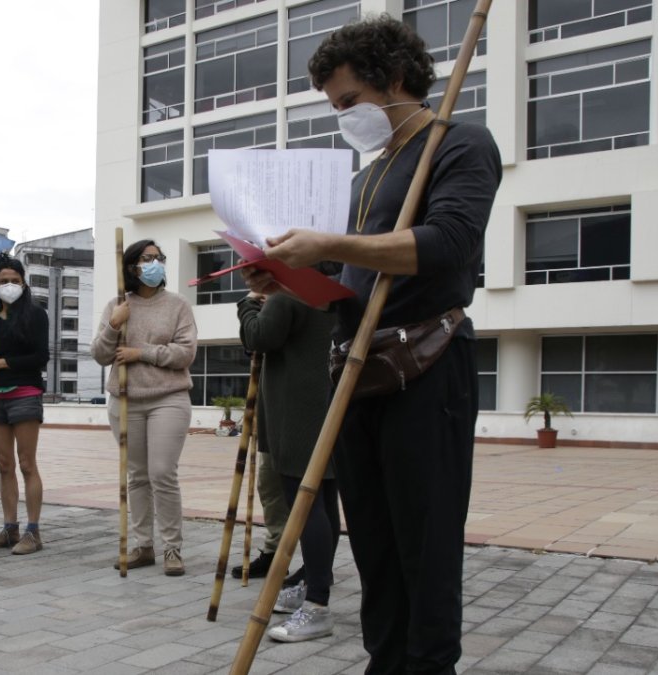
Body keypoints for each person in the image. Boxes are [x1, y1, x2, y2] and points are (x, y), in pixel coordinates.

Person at [244, 16, 502, 672]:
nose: (343, 117)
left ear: (393, 81)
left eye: (349, 101)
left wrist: (328, 244)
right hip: (357, 373)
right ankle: (384, 661)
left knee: (426, 545)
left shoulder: (461, 145)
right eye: (334, 107)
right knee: (377, 547)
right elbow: (348, 279)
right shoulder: (366, 179)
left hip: (428, 365)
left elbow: (447, 244)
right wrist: (284, 276)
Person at [236, 291, 338, 643]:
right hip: (327, 405)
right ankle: (314, 580)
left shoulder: (291, 289)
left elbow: (259, 337)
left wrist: (247, 305)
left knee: (306, 507)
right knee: (324, 501)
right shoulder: (333, 283)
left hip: (296, 414)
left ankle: (317, 603)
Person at [92, 239, 197, 576]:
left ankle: (172, 548)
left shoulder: (178, 305)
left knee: (162, 472)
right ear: (132, 266)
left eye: (159, 258)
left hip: (168, 397)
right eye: (147, 258)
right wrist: (114, 325)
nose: (155, 264)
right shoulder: (117, 305)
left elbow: (185, 353)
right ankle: (143, 546)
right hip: (125, 400)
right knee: (136, 476)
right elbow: (100, 355)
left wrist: (142, 353)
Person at [0, 253, 50, 555]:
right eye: (3, 281)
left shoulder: (35, 314)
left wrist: (3, 363)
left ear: (23, 283)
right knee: (3, 465)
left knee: (26, 463)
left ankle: (33, 531)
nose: (9, 285)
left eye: (14, 281)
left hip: (25, 393)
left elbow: (40, 357)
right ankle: (9, 528)